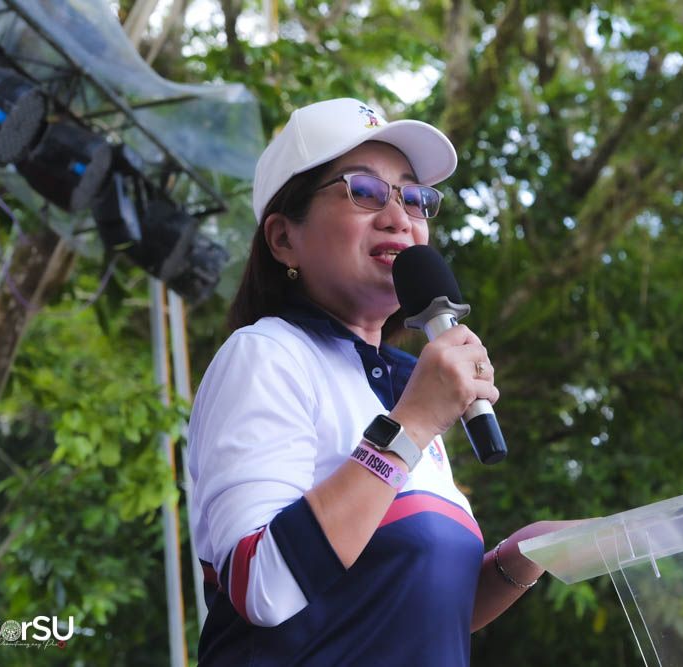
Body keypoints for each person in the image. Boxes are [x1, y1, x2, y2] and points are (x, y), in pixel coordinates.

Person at [188, 98, 571, 666]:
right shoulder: (266, 355)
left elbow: (403, 605)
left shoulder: (402, 388)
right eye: (364, 191)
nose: (399, 217)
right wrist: (411, 425)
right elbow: (261, 585)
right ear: (284, 238)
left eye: (414, 198)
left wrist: (520, 559)